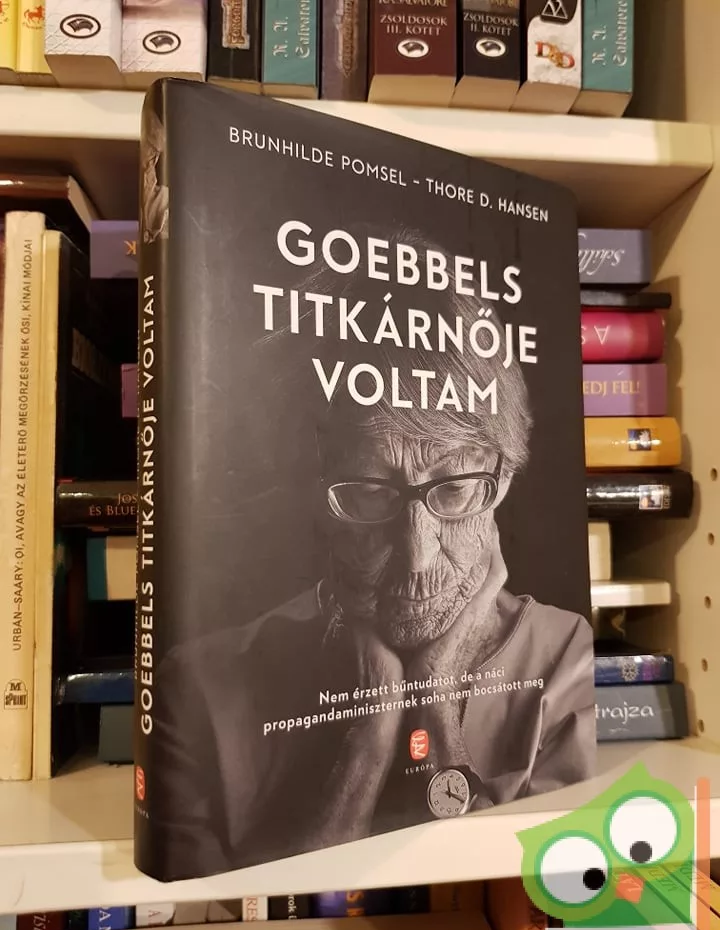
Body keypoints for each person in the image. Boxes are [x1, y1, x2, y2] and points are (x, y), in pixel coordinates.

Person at [150, 250, 596, 881]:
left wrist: (436, 699)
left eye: (453, 488)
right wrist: (367, 740)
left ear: (500, 481)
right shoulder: (199, 686)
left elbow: (543, 890)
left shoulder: (565, 653)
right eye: (369, 493)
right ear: (316, 498)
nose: (417, 553)